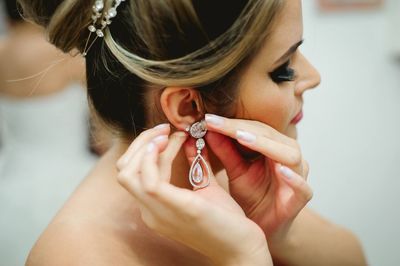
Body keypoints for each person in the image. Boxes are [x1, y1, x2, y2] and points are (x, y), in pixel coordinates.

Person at [17, 0, 367, 265]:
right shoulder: (74, 256)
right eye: (283, 69)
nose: (313, 76)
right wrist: (246, 256)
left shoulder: (231, 175)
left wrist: (279, 235)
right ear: (189, 108)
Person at [0, 0, 99, 264]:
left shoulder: (3, 51)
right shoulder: (63, 53)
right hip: (69, 173)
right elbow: (102, 117)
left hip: (10, 171)